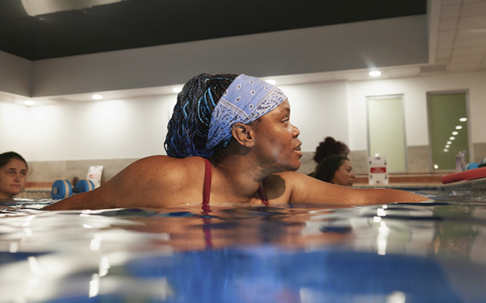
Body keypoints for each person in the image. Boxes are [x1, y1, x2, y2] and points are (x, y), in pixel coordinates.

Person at [45, 73, 428, 211]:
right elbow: (70, 211)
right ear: (243, 133)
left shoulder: (283, 188)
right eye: (284, 120)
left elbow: (370, 199)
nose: (296, 131)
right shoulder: (168, 179)